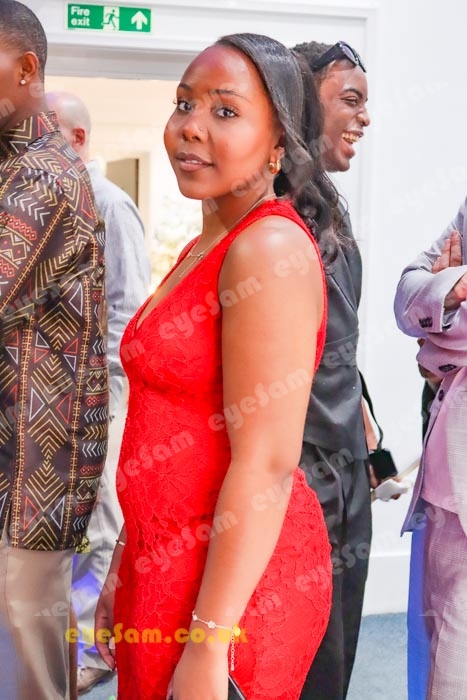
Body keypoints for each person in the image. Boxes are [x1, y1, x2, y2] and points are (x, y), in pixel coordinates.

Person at [95, 32, 339, 700]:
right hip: (167, 564)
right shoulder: (205, 245)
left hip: (232, 591)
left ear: (279, 143)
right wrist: (125, 564)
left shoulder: (267, 248)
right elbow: (166, 426)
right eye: (184, 104)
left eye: (224, 111)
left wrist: (208, 642)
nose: (191, 127)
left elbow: (267, 464)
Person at [0, 3, 108, 700]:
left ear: (26, 69)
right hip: (18, 472)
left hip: (28, 481)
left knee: (26, 677)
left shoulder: (43, 176)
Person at [46, 91, 151, 694]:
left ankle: (94, 649)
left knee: (100, 518)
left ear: (77, 139)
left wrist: (97, 395)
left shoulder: (109, 205)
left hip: (98, 394)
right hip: (48, 397)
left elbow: (126, 313)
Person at [291, 41, 372, 700]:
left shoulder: (326, 204)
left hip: (342, 468)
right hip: (300, 478)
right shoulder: (277, 209)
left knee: (333, 654)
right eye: (350, 99)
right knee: (303, 660)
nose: (363, 117)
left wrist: (363, 416)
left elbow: (335, 334)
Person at [395, 215, 467, 699]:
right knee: (440, 659)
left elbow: (432, 342)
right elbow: (409, 297)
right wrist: (449, 292)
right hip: (449, 486)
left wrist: (440, 333)